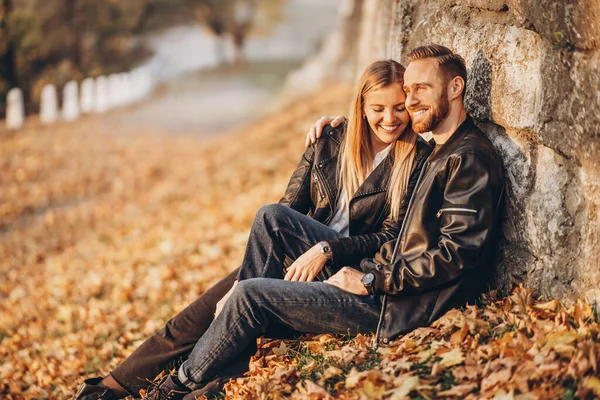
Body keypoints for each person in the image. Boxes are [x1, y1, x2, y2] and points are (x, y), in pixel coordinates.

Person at [139, 43, 505, 400]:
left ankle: (178, 385)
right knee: (270, 221)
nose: (408, 103)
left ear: (456, 88)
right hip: (381, 282)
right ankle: (196, 365)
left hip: (392, 308)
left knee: (250, 293)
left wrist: (368, 277)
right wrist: (364, 269)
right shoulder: (443, 150)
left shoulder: (466, 157)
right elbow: (409, 242)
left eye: (418, 90)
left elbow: (458, 254)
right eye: (407, 91)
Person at [73, 59, 431, 399]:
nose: (390, 118)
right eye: (378, 108)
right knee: (195, 315)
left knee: (260, 241)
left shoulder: (414, 158)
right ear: (361, 107)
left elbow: (389, 236)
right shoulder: (331, 140)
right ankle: (109, 387)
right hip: (295, 259)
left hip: (344, 270)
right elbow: (291, 208)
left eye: (400, 107)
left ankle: (212, 360)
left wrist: (327, 250)